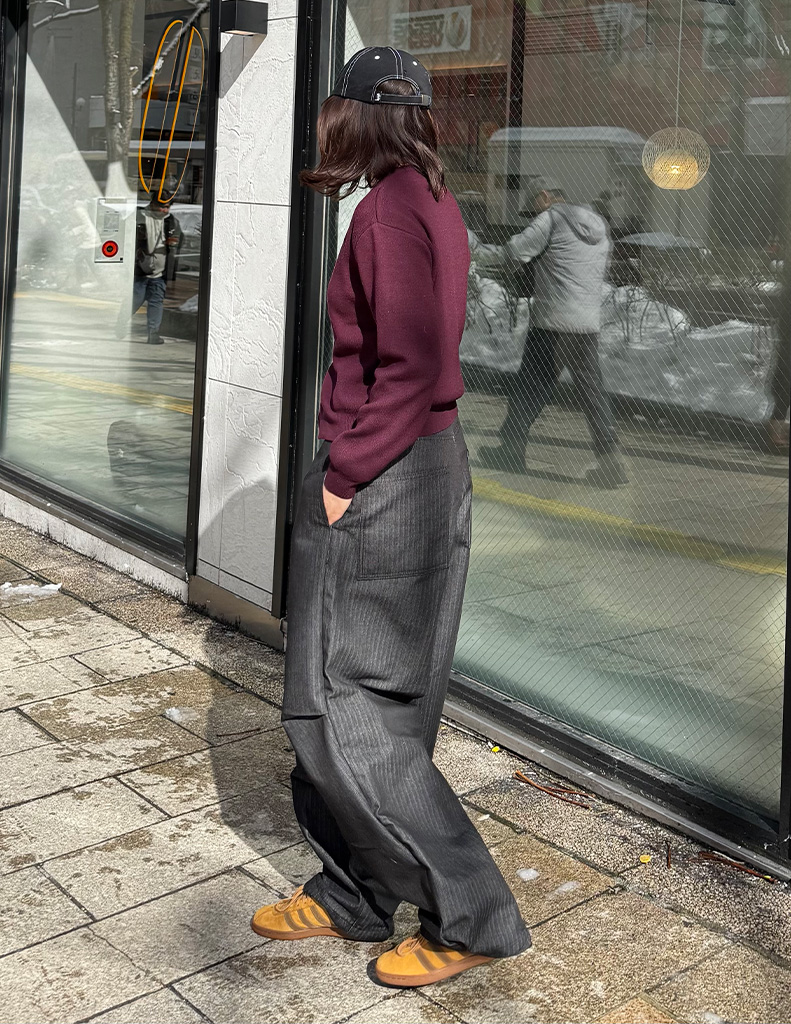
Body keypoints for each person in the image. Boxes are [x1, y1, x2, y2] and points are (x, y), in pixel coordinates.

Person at [250, 46, 531, 987]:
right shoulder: (429, 196)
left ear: (354, 114)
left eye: (333, 108)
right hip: (423, 468)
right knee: (387, 702)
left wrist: (344, 475)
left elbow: (410, 365)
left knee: (341, 706)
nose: (324, 123)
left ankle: (474, 915)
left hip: (385, 475)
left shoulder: (388, 210)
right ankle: (354, 895)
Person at [476, 182, 629, 488]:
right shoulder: (597, 224)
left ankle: (511, 449)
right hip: (586, 326)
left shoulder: (551, 219)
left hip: (552, 324)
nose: (532, 216)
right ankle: (611, 459)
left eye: (533, 208)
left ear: (544, 197)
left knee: (530, 387)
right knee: (593, 393)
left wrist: (474, 251)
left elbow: (514, 252)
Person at [130, 192, 182, 345]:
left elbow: (178, 241)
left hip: (159, 272)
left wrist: (173, 244)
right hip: (139, 271)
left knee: (156, 302)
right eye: (162, 207)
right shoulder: (139, 217)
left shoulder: (171, 221)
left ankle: (153, 333)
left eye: (168, 207)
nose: (165, 210)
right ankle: (120, 325)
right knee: (134, 301)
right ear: (153, 204)